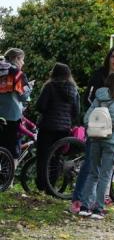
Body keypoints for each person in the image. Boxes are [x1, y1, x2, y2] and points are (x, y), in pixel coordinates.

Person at [71, 47, 114, 213]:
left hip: (103, 133)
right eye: (113, 57)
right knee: (92, 168)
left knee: (96, 171)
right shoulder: (99, 76)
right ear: (108, 58)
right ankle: (80, 200)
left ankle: (91, 203)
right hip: (99, 132)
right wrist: (99, 118)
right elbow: (88, 98)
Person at [78, 72, 114, 219]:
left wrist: (97, 125)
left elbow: (86, 118)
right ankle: (98, 209)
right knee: (105, 175)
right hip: (111, 142)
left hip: (94, 140)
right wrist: (112, 127)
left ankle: (84, 206)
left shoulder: (98, 99)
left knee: (93, 173)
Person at [34, 63, 80, 193]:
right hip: (64, 129)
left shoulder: (49, 86)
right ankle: (51, 187)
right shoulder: (73, 89)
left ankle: (42, 184)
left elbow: (40, 106)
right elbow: (76, 111)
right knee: (56, 157)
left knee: (43, 156)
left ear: (53, 73)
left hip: (47, 126)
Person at [0, 48, 31, 157]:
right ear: (16, 58)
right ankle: (7, 173)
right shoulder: (17, 73)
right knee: (11, 150)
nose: (23, 62)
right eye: (22, 59)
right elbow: (24, 97)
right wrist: (30, 87)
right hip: (11, 116)